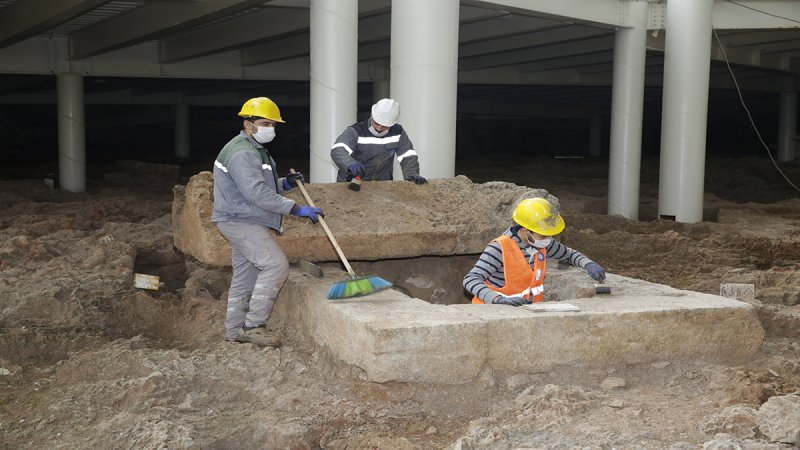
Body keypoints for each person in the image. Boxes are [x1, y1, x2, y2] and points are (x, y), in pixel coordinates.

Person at [211, 97, 324, 347]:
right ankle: (253, 326)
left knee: (245, 274)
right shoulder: (242, 152)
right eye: (264, 123)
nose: (270, 129)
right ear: (247, 123)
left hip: (241, 217)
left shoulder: (252, 148)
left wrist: (285, 184)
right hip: (241, 219)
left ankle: (234, 331)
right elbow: (255, 193)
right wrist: (296, 209)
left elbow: (259, 185)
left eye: (273, 124)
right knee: (275, 266)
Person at [463, 196, 606, 306]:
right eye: (543, 235)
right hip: (493, 312)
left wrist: (588, 264)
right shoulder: (499, 248)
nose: (548, 239)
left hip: (526, 312)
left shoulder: (543, 243)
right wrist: (497, 299)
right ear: (525, 230)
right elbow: (471, 279)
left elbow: (570, 255)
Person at [330, 98, 427, 184]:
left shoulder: (398, 132)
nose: (379, 128)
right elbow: (338, 150)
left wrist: (412, 174)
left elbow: (407, 155)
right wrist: (350, 164)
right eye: (376, 123)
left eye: (385, 126)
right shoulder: (355, 131)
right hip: (352, 183)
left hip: (382, 185)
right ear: (372, 115)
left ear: (392, 124)